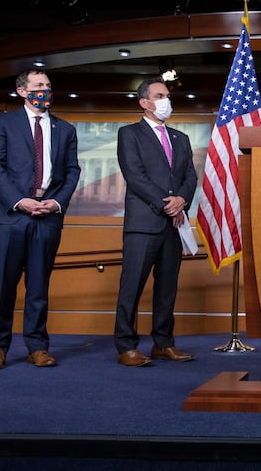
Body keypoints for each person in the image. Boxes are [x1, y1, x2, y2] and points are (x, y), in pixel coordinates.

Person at [0, 68, 81, 370]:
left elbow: (72, 171)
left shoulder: (65, 129)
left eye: (48, 86)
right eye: (38, 86)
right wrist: (19, 201)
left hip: (47, 218)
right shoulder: (3, 122)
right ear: (22, 91)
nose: (45, 90)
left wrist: (55, 202)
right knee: (4, 286)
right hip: (10, 217)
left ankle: (37, 347)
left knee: (38, 287)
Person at [114, 77, 198, 367]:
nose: (166, 101)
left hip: (173, 226)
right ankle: (126, 346)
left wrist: (182, 201)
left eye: (167, 96)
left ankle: (163, 343)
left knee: (167, 287)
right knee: (132, 286)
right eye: (160, 95)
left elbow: (190, 177)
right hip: (143, 223)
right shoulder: (130, 134)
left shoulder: (180, 138)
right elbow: (136, 176)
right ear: (145, 103)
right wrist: (167, 204)